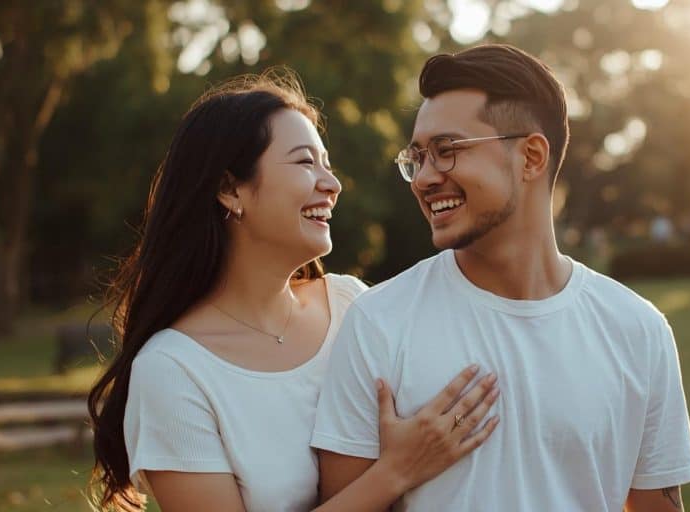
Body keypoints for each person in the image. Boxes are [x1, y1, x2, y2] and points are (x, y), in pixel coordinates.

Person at [86, 70, 501, 512]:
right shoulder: (173, 370)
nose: (333, 185)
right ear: (229, 189)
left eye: (327, 164)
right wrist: (395, 472)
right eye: (306, 162)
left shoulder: (351, 305)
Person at [312, 44, 690, 511]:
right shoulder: (378, 323)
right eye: (417, 157)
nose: (423, 178)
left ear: (532, 157)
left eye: (447, 150)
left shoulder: (639, 329)